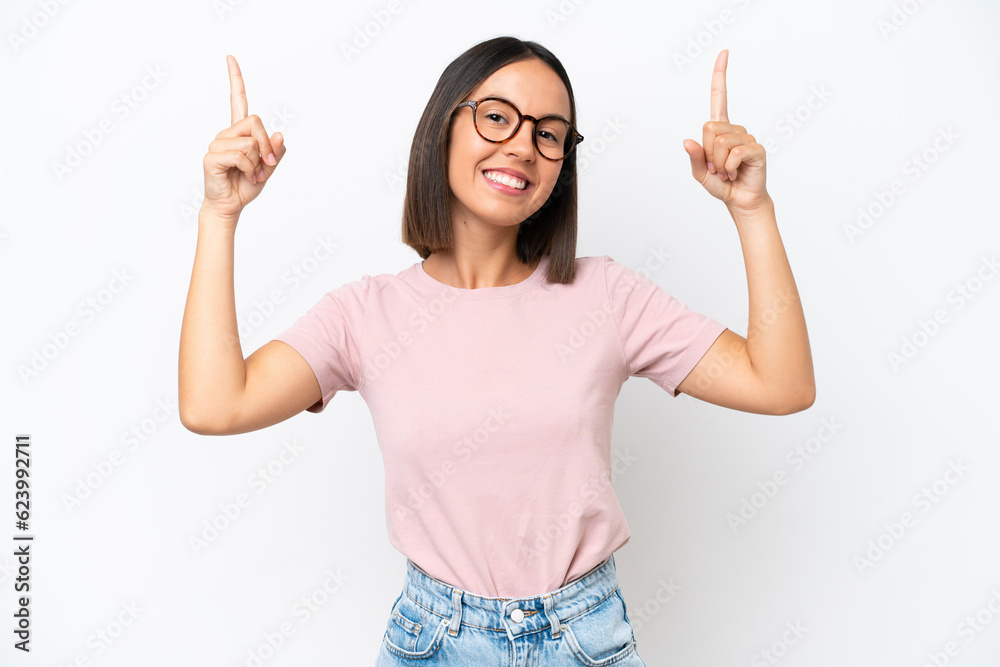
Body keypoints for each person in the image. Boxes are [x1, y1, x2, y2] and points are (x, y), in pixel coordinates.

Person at [178, 36, 814, 666]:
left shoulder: (606, 296)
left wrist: (752, 209)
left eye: (549, 134)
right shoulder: (364, 314)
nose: (522, 145)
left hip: (582, 639)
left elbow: (780, 385)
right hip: (433, 642)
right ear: (444, 127)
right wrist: (219, 215)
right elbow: (214, 405)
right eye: (497, 116)